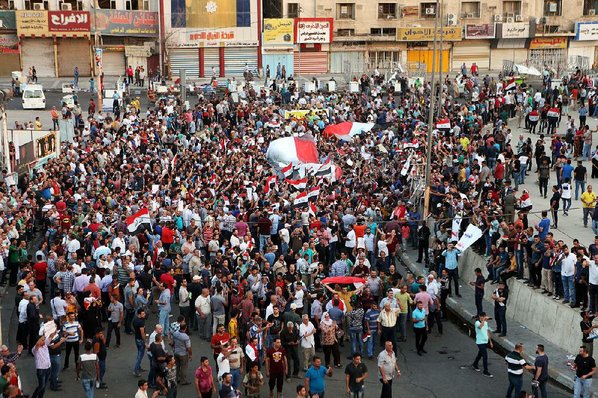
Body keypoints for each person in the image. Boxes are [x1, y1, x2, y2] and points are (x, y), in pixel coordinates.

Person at [471, 312, 494, 378]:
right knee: (485, 356)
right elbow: (480, 327)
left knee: (480, 354)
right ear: (480, 317)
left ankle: (475, 364)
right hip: (480, 342)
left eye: (484, 317)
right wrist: (484, 320)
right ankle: (485, 371)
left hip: (485, 341)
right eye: (482, 317)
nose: (483, 318)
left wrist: (490, 341)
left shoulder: (486, 323)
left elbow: (487, 331)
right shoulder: (477, 323)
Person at [31, 334, 52, 398]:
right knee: (41, 386)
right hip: (41, 370)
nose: (44, 341)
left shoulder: (45, 345)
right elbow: (37, 344)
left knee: (44, 386)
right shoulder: (35, 349)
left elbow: (51, 336)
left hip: (48, 368)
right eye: (42, 340)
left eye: (44, 340)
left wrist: (53, 330)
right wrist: (42, 337)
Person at [133, 308, 148, 377]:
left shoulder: (135, 319)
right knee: (140, 356)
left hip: (137, 338)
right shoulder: (141, 322)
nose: (144, 315)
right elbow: (142, 333)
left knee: (139, 353)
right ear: (139, 314)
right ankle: (136, 370)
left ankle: (138, 367)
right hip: (141, 340)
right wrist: (145, 341)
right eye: (143, 314)